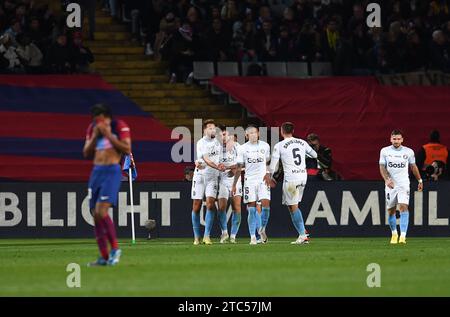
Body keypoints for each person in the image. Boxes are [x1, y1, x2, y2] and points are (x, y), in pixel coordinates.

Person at [83, 104, 132, 266]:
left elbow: (127, 148)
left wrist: (109, 136)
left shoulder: (119, 126)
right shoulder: (93, 128)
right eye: (95, 120)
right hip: (96, 171)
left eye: (100, 119)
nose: (98, 122)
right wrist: (95, 136)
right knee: (95, 213)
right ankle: (104, 256)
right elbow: (86, 153)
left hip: (111, 171)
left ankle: (116, 248)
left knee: (102, 210)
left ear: (106, 117)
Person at [269, 122, 317, 244]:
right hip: (302, 177)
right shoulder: (302, 142)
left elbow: (273, 165)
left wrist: (269, 176)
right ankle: (302, 233)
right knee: (293, 206)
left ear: (281, 131)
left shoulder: (279, 145)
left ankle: (302, 235)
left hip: (291, 180)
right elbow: (315, 154)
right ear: (293, 131)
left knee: (293, 206)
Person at [379, 129, 423, 245]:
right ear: (390, 139)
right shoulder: (385, 151)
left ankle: (403, 236)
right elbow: (382, 167)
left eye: (398, 139)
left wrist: (420, 180)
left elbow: (413, 167)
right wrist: (387, 179)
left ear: (402, 139)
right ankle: (394, 234)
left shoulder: (409, 152)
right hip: (390, 185)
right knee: (391, 211)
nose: (396, 141)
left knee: (403, 207)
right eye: (394, 139)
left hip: (403, 184)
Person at [232, 125, 271, 245]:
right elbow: (239, 167)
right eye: (251, 133)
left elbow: (268, 162)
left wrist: (269, 173)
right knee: (252, 209)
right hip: (250, 180)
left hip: (263, 180)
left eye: (255, 132)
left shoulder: (265, 145)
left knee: (266, 205)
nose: (253, 135)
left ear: (258, 133)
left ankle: (262, 228)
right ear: (246, 135)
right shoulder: (242, 148)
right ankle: (253, 237)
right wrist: (234, 184)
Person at [196, 119, 224, 244]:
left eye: (214, 128)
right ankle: (197, 236)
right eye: (210, 128)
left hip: (213, 177)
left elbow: (220, 159)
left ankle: (207, 236)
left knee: (210, 204)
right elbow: (206, 160)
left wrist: (223, 167)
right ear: (205, 130)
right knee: (196, 206)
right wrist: (217, 166)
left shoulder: (218, 143)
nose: (213, 130)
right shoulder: (201, 143)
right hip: (200, 176)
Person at [216, 125, 242, 244]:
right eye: (221, 135)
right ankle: (224, 232)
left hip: (235, 181)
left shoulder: (237, 147)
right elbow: (213, 163)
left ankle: (233, 236)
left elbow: (241, 164)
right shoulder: (216, 148)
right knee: (221, 207)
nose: (223, 137)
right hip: (222, 180)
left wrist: (230, 168)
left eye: (225, 134)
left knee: (237, 207)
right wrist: (218, 167)